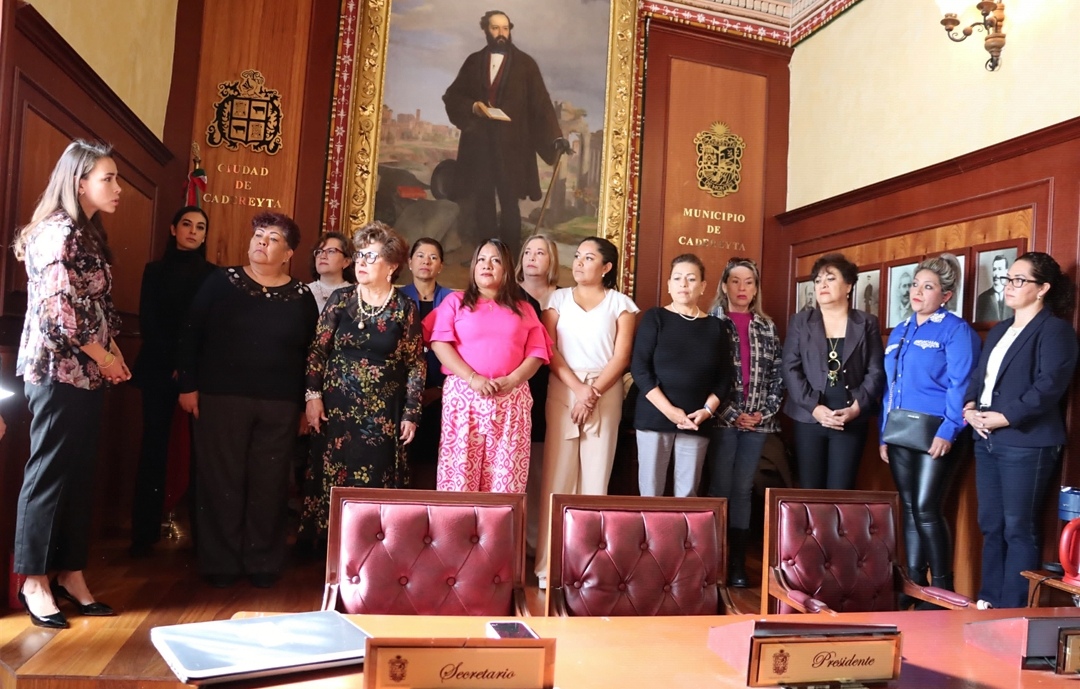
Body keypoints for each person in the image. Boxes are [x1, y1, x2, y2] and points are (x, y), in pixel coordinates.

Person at [12, 139, 129, 628]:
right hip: (57, 372)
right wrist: (105, 358)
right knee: (49, 475)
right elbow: (59, 316)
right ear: (79, 183)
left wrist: (114, 354)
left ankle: (70, 573)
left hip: (89, 373)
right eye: (108, 179)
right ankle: (34, 581)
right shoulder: (57, 233)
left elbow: (97, 307)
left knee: (80, 476)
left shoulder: (87, 232)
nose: (118, 188)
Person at [178, 211, 319, 588]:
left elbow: (311, 354)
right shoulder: (220, 281)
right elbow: (191, 333)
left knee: (269, 483)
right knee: (221, 479)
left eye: (273, 238)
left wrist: (305, 403)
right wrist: (188, 385)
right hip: (221, 397)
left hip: (280, 403)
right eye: (258, 235)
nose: (262, 242)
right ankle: (221, 562)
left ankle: (263, 561)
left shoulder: (302, 296)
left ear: (288, 253)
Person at [964, 252, 1077, 608]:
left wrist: (1005, 417)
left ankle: (1012, 609)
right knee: (991, 524)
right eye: (1007, 279)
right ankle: (988, 601)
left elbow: (1049, 386)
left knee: (1018, 527)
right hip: (986, 438)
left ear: (1042, 288)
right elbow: (980, 378)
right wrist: (969, 408)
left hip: (1027, 442)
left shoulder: (1055, 330)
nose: (1008, 286)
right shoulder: (999, 329)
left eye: (1018, 280)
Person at [301, 223, 425, 540]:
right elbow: (317, 351)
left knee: (375, 479)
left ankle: (372, 547)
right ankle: (330, 550)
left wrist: (411, 413)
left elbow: (415, 363)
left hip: (382, 416)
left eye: (371, 256)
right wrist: (312, 397)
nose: (361, 262)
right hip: (335, 412)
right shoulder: (341, 299)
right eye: (359, 255)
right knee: (333, 477)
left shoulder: (404, 307)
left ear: (392, 266)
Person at [534, 237, 639, 588]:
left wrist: (591, 393)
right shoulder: (556, 300)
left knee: (595, 479)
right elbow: (548, 350)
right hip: (564, 387)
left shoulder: (622, 304)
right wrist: (578, 390)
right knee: (557, 477)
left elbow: (622, 357)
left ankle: (587, 569)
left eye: (588, 258)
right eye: (577, 256)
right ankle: (549, 567)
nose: (579, 262)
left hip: (605, 391)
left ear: (606, 267)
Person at [880, 253, 980, 599]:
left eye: (928, 287)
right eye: (915, 285)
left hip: (937, 431)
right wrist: (884, 433)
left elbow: (961, 385)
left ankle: (942, 589)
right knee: (909, 508)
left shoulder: (956, 330)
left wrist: (949, 430)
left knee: (926, 508)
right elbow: (890, 387)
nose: (917, 292)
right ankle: (913, 584)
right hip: (900, 431)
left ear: (946, 295)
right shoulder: (901, 330)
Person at [443, 10, 573, 257]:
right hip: (479, 145)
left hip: (514, 147)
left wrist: (555, 137)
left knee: (510, 202)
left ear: (510, 30)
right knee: (483, 200)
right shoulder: (473, 62)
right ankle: (486, 257)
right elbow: (453, 96)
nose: (501, 33)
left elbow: (541, 104)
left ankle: (510, 258)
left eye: (505, 28)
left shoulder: (526, 64)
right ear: (486, 30)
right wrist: (473, 107)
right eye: (495, 28)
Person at [425, 238, 550, 493]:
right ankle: (458, 521)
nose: (487, 265)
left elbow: (537, 352)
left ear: (507, 269)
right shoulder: (455, 302)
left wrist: (513, 380)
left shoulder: (524, 308)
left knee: (506, 481)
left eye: (495, 260)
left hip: (510, 400)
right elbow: (439, 342)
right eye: (481, 259)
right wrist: (472, 378)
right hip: (464, 399)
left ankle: (501, 522)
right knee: (459, 477)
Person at [129, 206, 216, 557]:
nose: (193, 231)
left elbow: (207, 326)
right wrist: (174, 364)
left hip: (197, 374)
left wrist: (187, 366)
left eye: (200, 227)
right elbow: (149, 322)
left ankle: (202, 538)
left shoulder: (213, 275)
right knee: (153, 449)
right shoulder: (154, 270)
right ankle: (143, 534)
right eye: (187, 224)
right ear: (173, 229)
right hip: (158, 369)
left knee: (201, 454)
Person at [706, 257, 783, 588]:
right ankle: (714, 561)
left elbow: (778, 375)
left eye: (748, 282)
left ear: (755, 289)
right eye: (735, 281)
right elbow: (705, 374)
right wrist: (730, 414)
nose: (742, 288)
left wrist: (763, 413)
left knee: (743, 489)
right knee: (720, 488)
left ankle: (737, 563)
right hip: (722, 420)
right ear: (724, 286)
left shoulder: (766, 326)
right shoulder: (712, 322)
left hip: (758, 422)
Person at [782, 253, 885, 490]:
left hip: (850, 417)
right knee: (809, 489)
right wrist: (814, 408)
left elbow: (876, 370)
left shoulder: (866, 322)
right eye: (818, 281)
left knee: (842, 489)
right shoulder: (801, 321)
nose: (822, 285)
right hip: (809, 417)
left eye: (830, 279)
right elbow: (790, 367)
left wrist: (856, 408)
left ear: (848, 285)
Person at [632, 254, 731, 499]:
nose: (683, 284)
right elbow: (640, 369)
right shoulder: (655, 318)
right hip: (654, 417)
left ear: (703, 286)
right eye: (677, 278)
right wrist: (670, 411)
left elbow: (724, 378)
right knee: (651, 494)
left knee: (688, 495)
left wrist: (707, 411)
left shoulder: (716, 327)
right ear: (668, 285)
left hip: (696, 420)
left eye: (691, 279)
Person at [516, 233, 560, 555]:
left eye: (540, 252)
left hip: (555, 385)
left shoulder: (564, 297)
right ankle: (520, 543)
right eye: (528, 252)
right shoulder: (510, 295)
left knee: (545, 468)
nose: (532, 257)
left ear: (552, 259)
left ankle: (540, 544)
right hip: (518, 384)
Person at [399, 238, 454, 486]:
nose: (426, 261)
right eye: (420, 256)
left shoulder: (453, 300)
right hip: (403, 393)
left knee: (437, 461)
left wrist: (439, 389)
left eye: (433, 257)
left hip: (444, 392)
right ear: (410, 262)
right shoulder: (397, 298)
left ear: (440, 265)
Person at [307, 232, 353, 312]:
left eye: (331, 251)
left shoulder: (355, 294)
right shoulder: (304, 292)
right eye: (319, 252)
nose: (322, 256)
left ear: (346, 261)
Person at [975, 254, 1013, 322]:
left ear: (1006, 271)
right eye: (994, 269)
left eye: (1000, 269)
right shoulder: (982, 298)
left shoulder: (1013, 296)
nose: (996, 274)